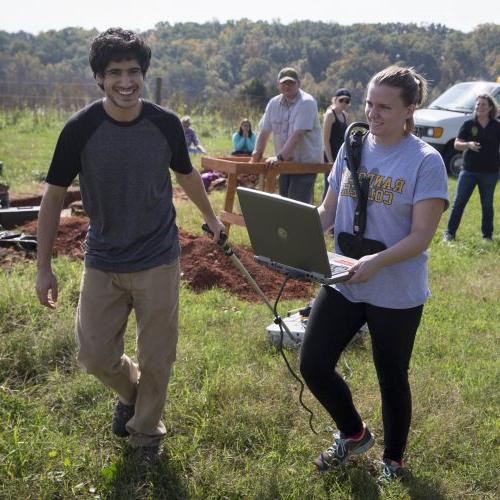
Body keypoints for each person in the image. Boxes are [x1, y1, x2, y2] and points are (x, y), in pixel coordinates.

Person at [35, 28, 224, 462]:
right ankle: (135, 395)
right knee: (93, 354)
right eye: (115, 72)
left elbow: (187, 174)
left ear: (144, 74)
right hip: (103, 256)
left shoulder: (165, 124)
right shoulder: (80, 129)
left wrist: (212, 219)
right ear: (99, 79)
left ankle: (145, 435)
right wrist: (43, 267)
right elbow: (52, 197)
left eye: (134, 71)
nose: (126, 81)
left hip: (158, 257)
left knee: (158, 355)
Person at [299, 66, 448, 483]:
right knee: (313, 363)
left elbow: (422, 236)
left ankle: (394, 460)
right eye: (369, 103)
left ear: (409, 110)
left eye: (384, 106)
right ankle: (354, 434)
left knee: (391, 376)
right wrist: (295, 232)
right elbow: (329, 211)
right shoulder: (353, 146)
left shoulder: (426, 161)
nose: (373, 113)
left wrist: (376, 264)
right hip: (345, 280)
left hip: (396, 289)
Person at [250, 67, 323, 204]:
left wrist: (279, 157)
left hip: (304, 165)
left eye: (291, 83)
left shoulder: (307, 102)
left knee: (297, 206)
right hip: (284, 165)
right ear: (278, 85)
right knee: (283, 204)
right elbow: (264, 132)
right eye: (284, 83)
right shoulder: (273, 103)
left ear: (298, 84)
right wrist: (256, 156)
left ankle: (304, 226)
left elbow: (298, 135)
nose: (287, 86)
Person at [443, 93, 500, 242]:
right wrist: (468, 144)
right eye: (477, 105)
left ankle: (487, 236)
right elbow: (456, 144)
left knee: (487, 205)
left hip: (490, 172)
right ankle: (449, 234)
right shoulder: (469, 124)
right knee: (459, 203)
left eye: (483, 105)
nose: (479, 107)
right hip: (468, 171)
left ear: (490, 108)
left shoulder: (496, 126)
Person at [322, 88, 351, 200]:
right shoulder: (330, 114)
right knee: (328, 187)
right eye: (341, 100)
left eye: (347, 101)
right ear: (335, 100)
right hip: (330, 155)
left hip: (341, 156)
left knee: (340, 188)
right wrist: (330, 161)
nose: (344, 103)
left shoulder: (345, 116)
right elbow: (325, 140)